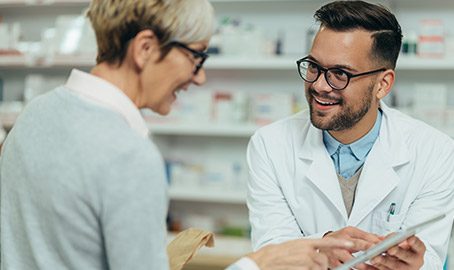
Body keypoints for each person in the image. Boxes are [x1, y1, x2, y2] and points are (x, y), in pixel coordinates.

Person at [0, 0, 373, 269]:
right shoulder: (127, 154)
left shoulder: (36, 113)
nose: (199, 77)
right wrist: (257, 263)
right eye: (197, 56)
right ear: (145, 48)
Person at [246, 1, 454, 270]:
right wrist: (323, 246)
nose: (320, 85)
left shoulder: (434, 150)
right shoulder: (269, 144)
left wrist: (415, 264)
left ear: (383, 84)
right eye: (313, 66)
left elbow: (431, 256)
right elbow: (271, 249)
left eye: (340, 74)